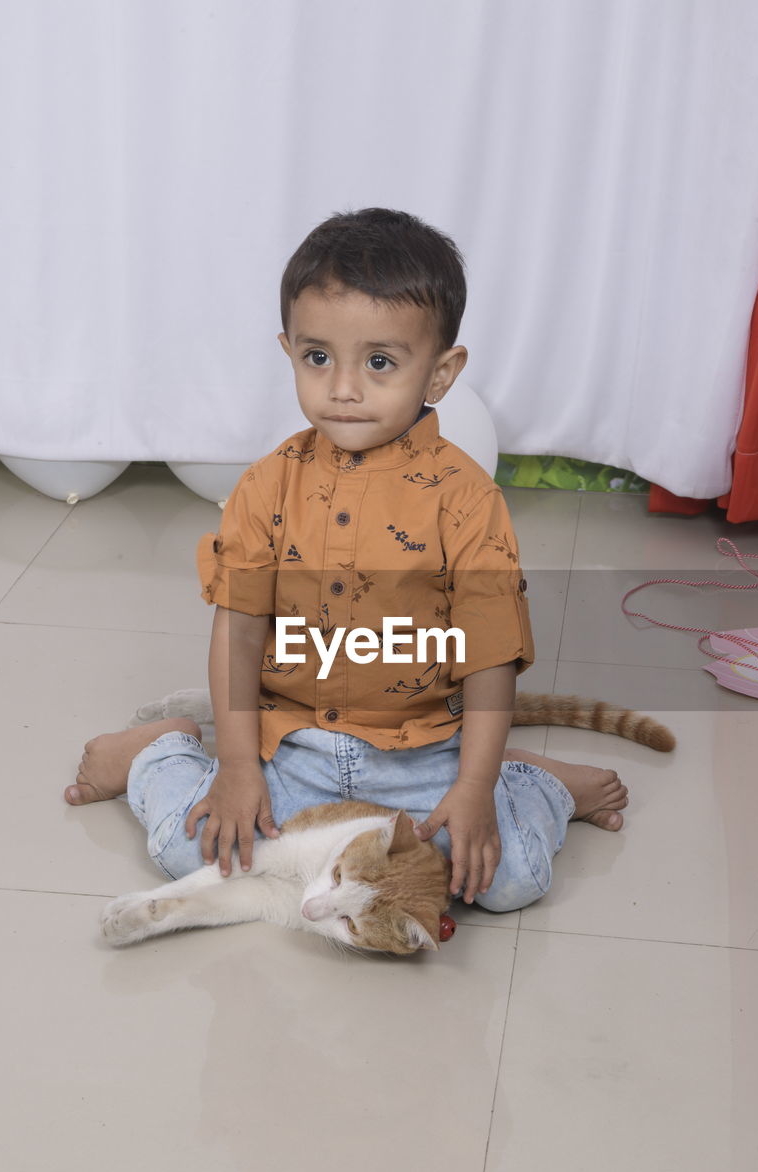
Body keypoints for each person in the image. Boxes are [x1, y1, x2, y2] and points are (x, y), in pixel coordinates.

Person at [65, 208, 627, 912]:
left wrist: (473, 788)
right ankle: (157, 756)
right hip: (291, 746)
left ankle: (531, 784)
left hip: (425, 753)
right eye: (317, 357)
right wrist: (237, 767)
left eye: (380, 362)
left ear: (441, 373)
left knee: (508, 879)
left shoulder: (466, 501)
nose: (343, 388)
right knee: (195, 850)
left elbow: (489, 657)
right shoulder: (267, 485)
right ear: (288, 350)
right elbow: (237, 630)